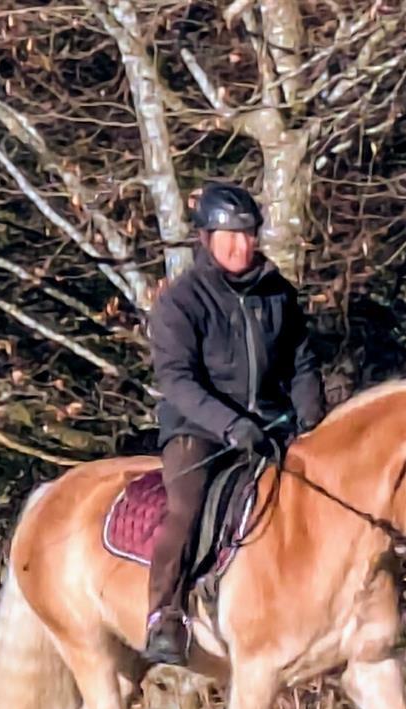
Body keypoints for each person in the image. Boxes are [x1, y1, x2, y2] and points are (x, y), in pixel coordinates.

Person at [143, 181, 325, 666]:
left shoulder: (278, 295)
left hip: (270, 425)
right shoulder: (181, 302)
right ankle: (165, 616)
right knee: (186, 508)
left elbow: (302, 362)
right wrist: (229, 426)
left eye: (247, 235)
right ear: (205, 238)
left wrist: (311, 421)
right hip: (197, 430)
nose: (240, 245)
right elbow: (178, 380)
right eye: (228, 235)